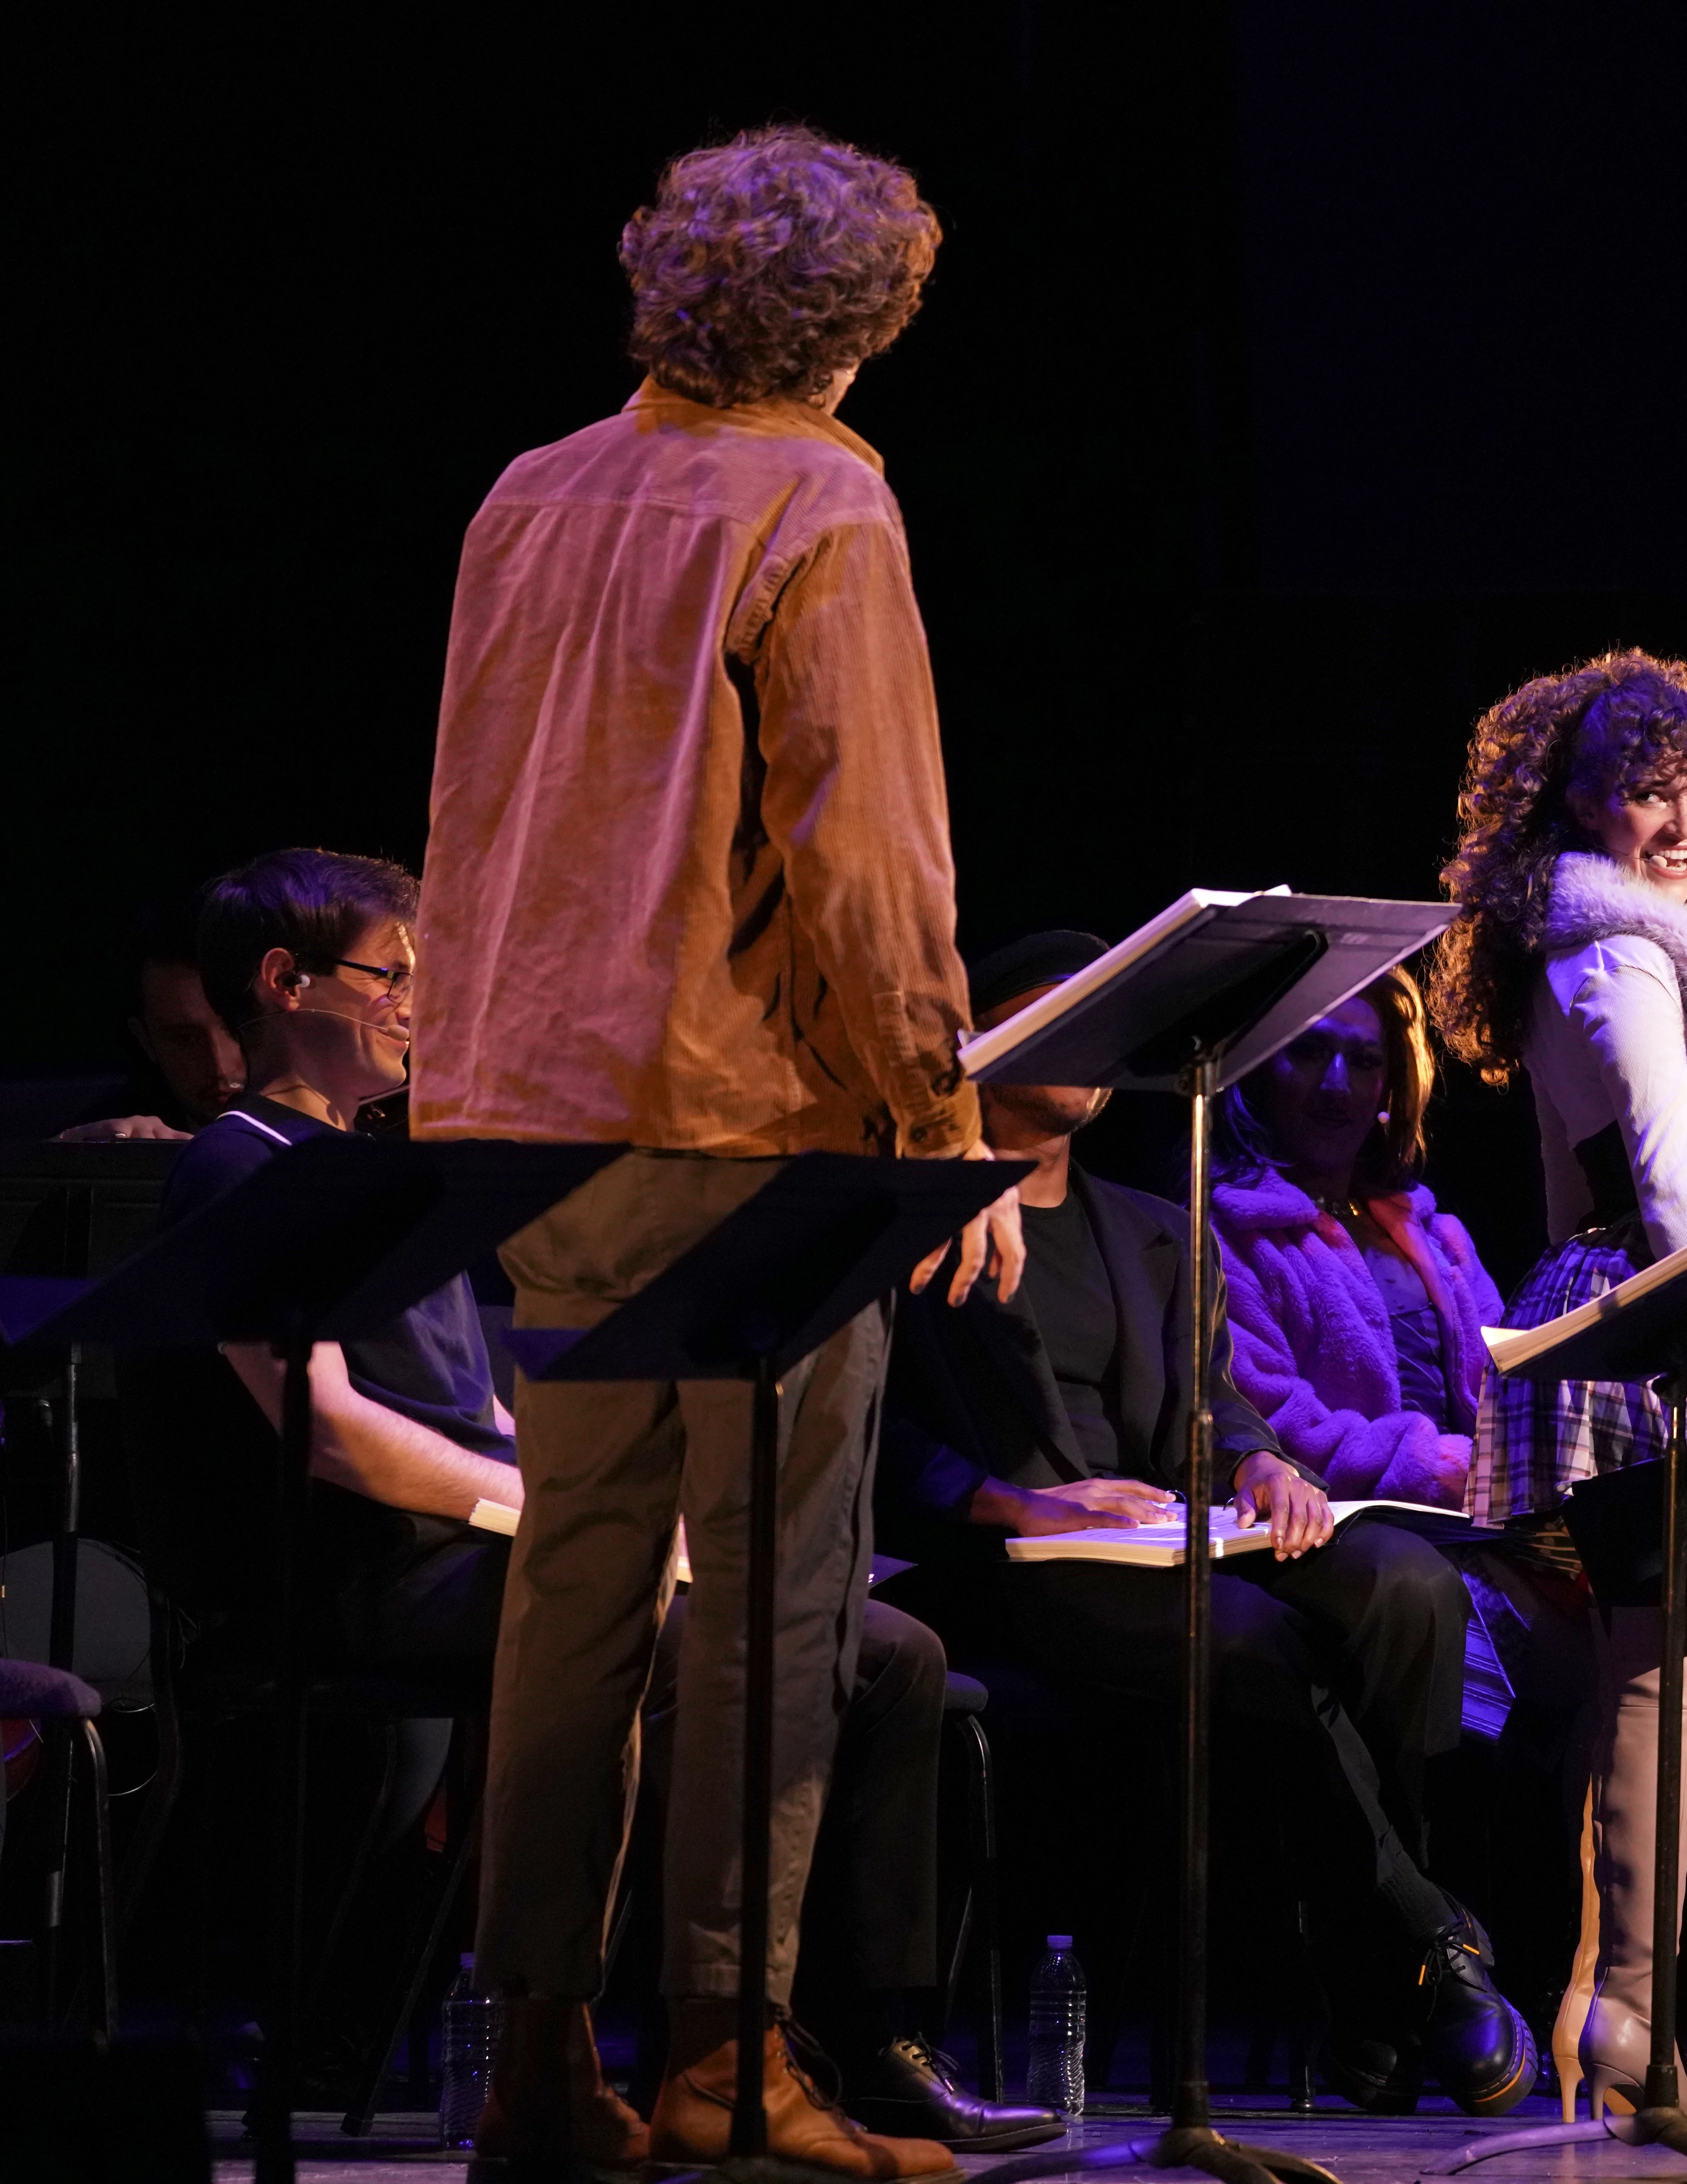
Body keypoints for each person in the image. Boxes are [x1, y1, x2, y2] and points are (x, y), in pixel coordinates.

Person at [415, 127, 1018, 2181]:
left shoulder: (530, 490)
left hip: (523, 1111)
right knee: (773, 1597)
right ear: (861, 329)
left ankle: (525, 2071)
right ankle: (725, 2058)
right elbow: (866, 857)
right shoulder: (821, 495)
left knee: (569, 1593)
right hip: (745, 1121)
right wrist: (941, 1123)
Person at [151, 850, 1054, 2154]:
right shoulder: (239, 1165)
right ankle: (656, 2031)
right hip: (380, 1570)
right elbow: (334, 1433)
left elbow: (484, 1405)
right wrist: (557, 1512)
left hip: (477, 1542)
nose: (419, 1004)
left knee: (888, 1651)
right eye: (391, 976)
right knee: (696, 1644)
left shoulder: (379, 1157)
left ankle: (867, 2032)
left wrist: (660, 1507)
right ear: (283, 983)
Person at [877, 930, 1535, 2119]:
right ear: (983, 1036)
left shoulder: (1153, 1225)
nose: (1090, 1037)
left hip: (1170, 1538)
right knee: (1253, 1642)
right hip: (1019, 1561)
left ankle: (1366, 1981)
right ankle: (1428, 1946)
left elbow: (1217, 1406)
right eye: (1055, 1009)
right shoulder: (917, 1217)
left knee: (1407, 1587)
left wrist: (1264, 1465)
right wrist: (1014, 1498)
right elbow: (874, 1431)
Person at [1431, 651, 1687, 2121]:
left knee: (1647, 1684)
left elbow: (1569, 1192)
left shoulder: (1578, 944)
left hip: (1617, 1317)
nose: (1675, 821)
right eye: (1642, 791)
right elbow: (1667, 1192)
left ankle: (1611, 2017)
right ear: (1582, 801)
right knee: (1660, 1689)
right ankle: (1629, 2022)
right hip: (1657, 1336)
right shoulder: (1614, 953)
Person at [1209, 968, 1504, 1507]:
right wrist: (1449, 1468)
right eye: (1310, 1052)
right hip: (1345, 1537)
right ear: (1256, 1071)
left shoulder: (1440, 1238)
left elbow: (1510, 1384)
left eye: (1365, 1061)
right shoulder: (1225, 1237)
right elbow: (1270, 1421)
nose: (1337, 1084)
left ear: (1387, 1088)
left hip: (1479, 1509)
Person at [55, 889, 244, 1141]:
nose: (220, 1066)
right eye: (184, 1039)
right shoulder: (122, 1132)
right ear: (145, 1040)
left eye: (235, 1026)